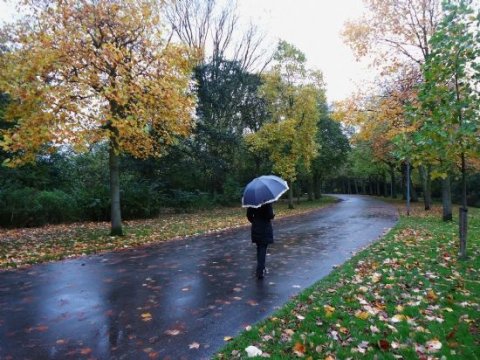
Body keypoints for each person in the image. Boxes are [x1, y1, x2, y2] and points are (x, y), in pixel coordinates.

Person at [246, 202, 275, 279]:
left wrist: (255, 221)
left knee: (259, 248)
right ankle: (260, 271)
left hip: (256, 227)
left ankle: (261, 268)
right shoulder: (267, 203)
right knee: (262, 249)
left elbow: (249, 216)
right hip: (265, 228)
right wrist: (273, 213)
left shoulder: (252, 203)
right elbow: (270, 216)